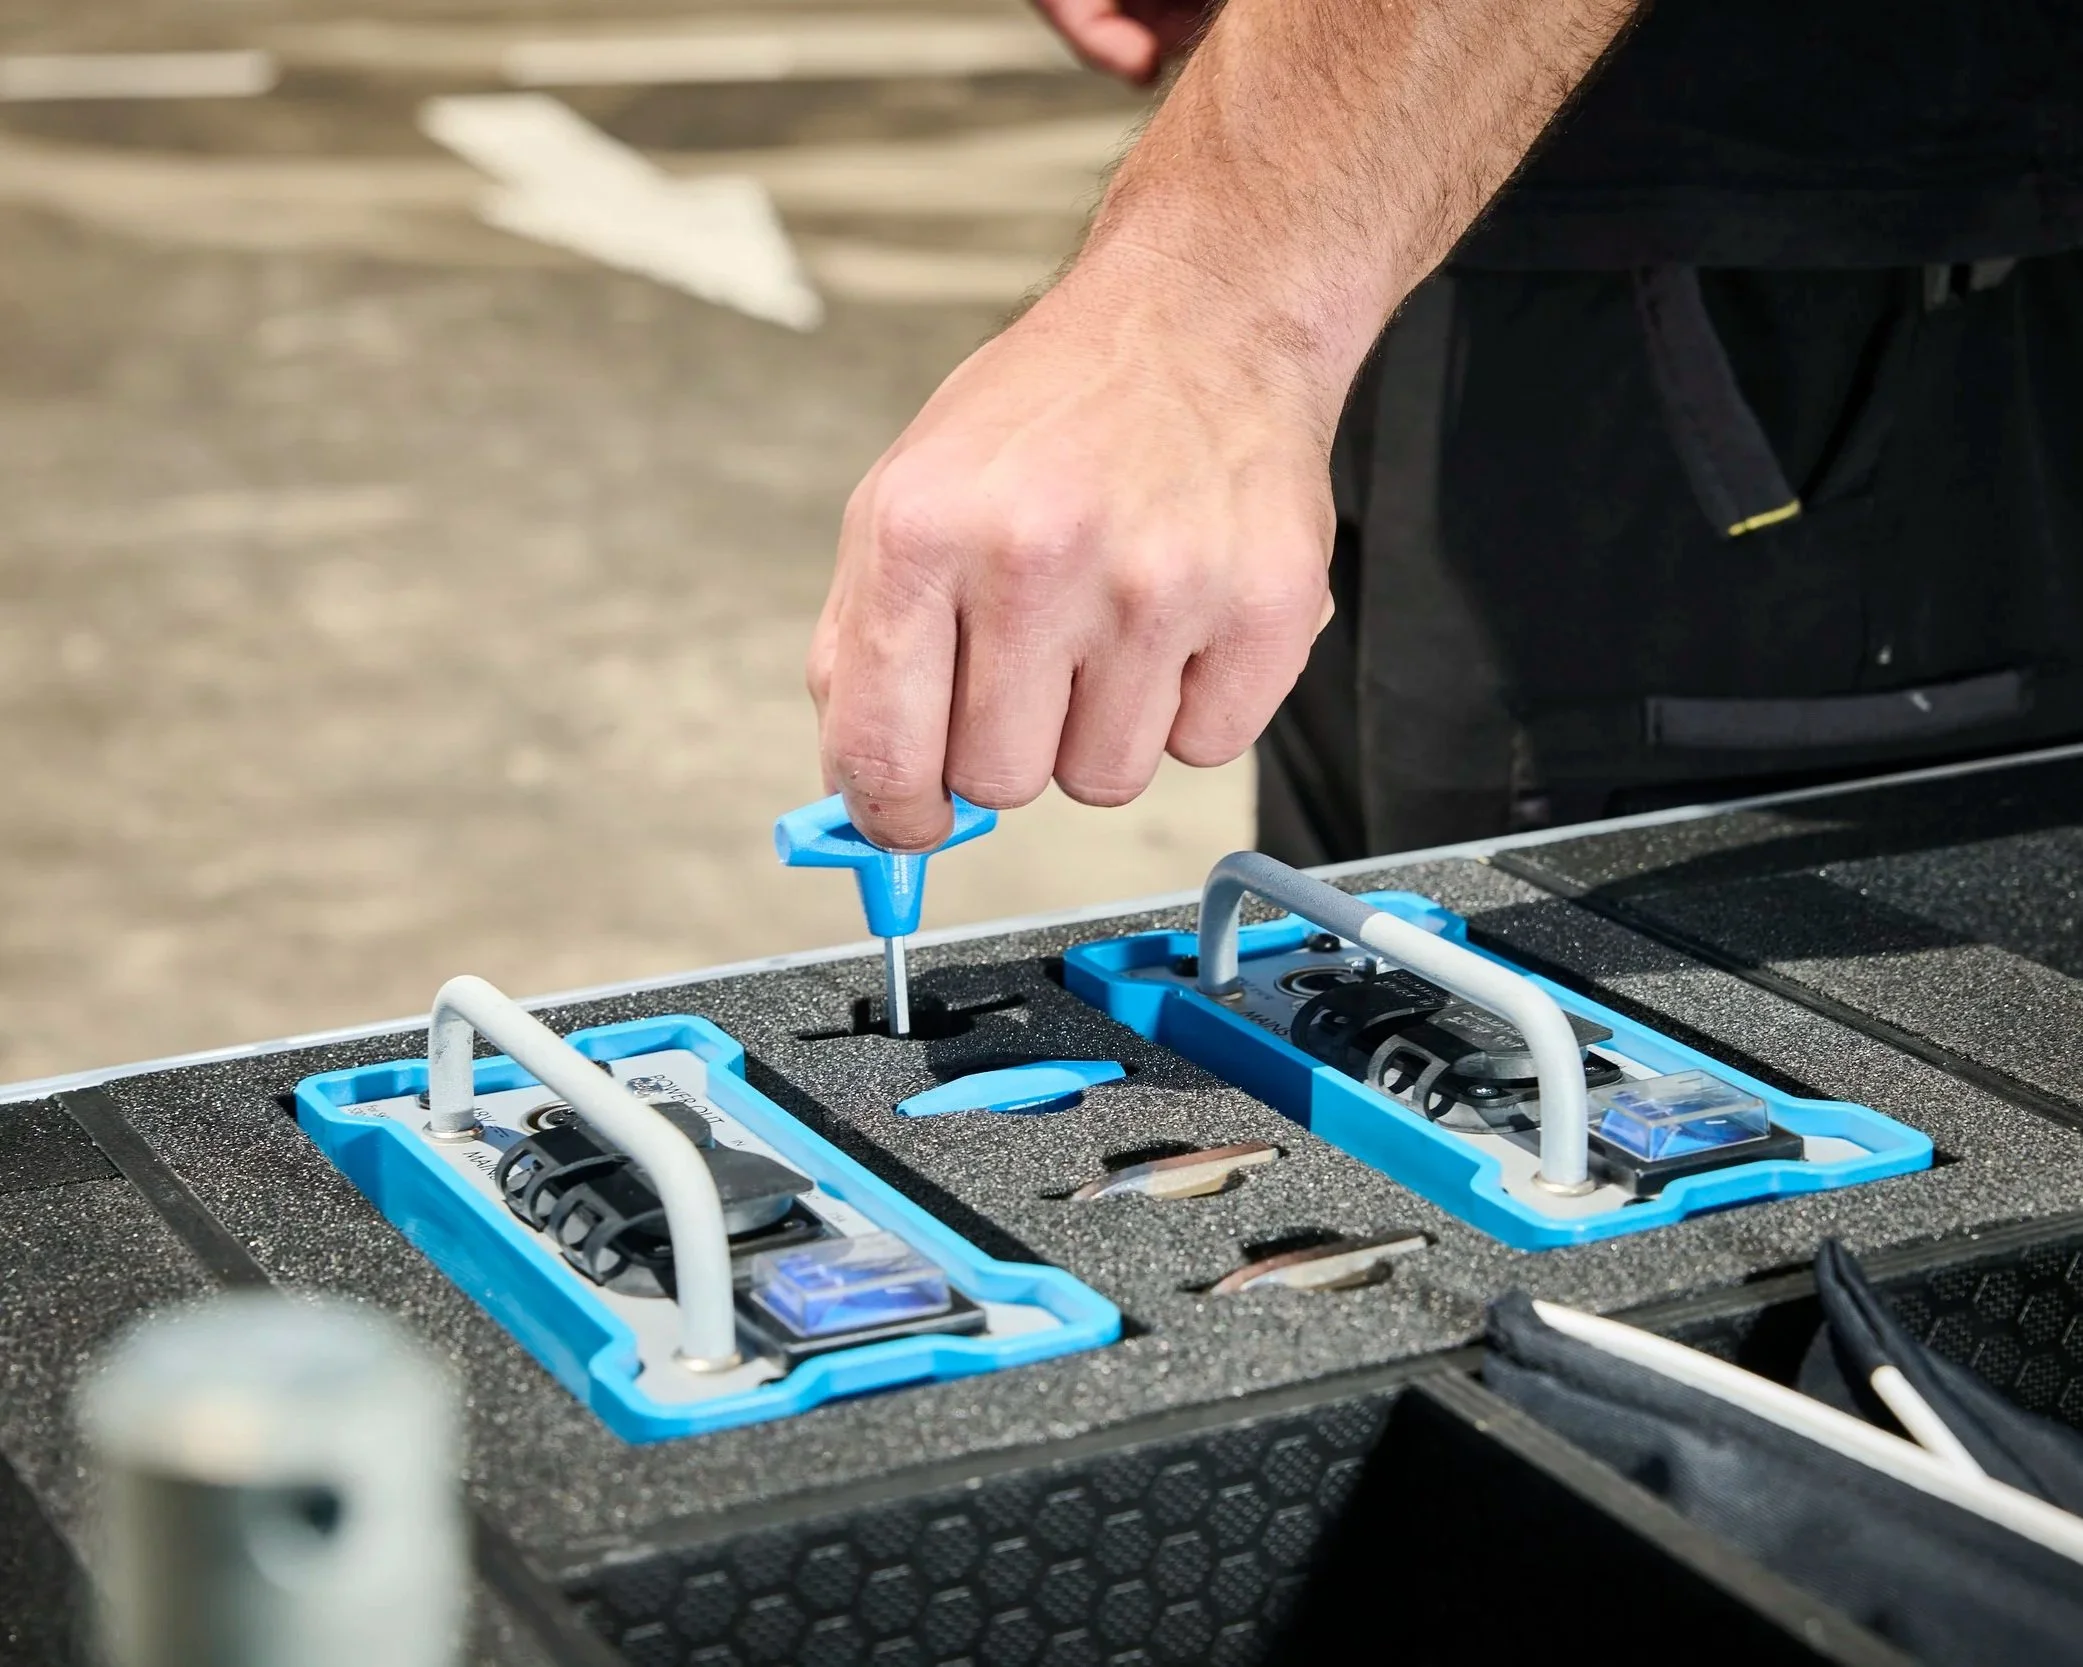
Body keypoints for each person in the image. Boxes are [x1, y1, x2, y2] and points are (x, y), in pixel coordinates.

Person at [808, 0, 2083, 864]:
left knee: (1705, 1143)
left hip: (1836, 296)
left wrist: (1210, 301)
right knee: (1373, 1018)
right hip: (1424, 196)